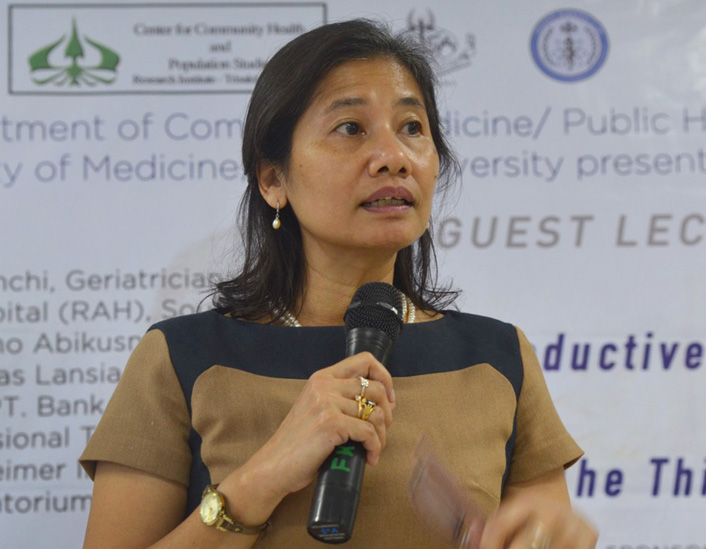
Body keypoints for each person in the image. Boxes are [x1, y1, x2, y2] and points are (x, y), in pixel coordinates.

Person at [80, 19, 597, 548]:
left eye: (412, 128)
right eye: (351, 128)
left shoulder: (497, 358)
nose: (394, 156)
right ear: (273, 180)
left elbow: (543, 531)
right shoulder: (182, 357)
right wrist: (262, 479)